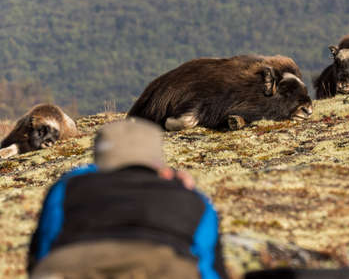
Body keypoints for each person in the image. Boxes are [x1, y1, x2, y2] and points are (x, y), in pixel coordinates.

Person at [28, 118, 228, 279]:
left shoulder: (68, 187)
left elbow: (43, 249)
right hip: (167, 268)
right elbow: (210, 269)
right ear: (157, 160)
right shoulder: (193, 200)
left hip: (69, 267)